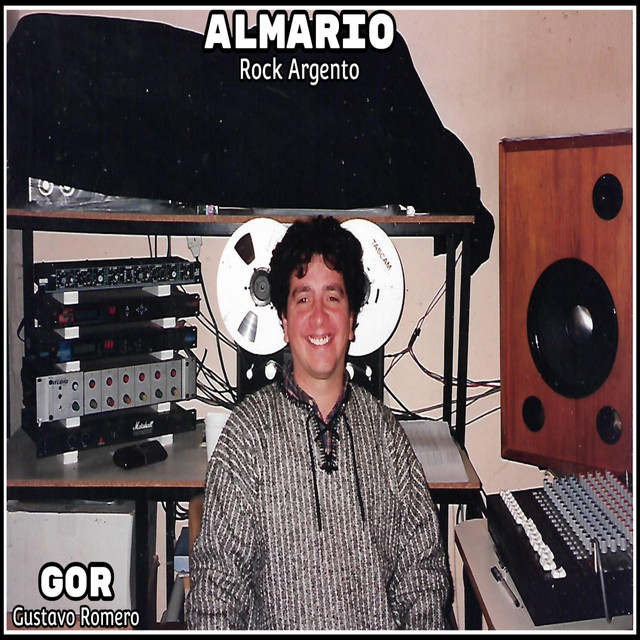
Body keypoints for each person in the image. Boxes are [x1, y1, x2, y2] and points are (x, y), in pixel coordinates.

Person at [185, 215, 452, 630]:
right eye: (303, 299)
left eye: (333, 297)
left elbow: (422, 576)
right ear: (284, 321)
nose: (319, 317)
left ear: (352, 319)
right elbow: (216, 592)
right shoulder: (246, 436)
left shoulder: (386, 435)